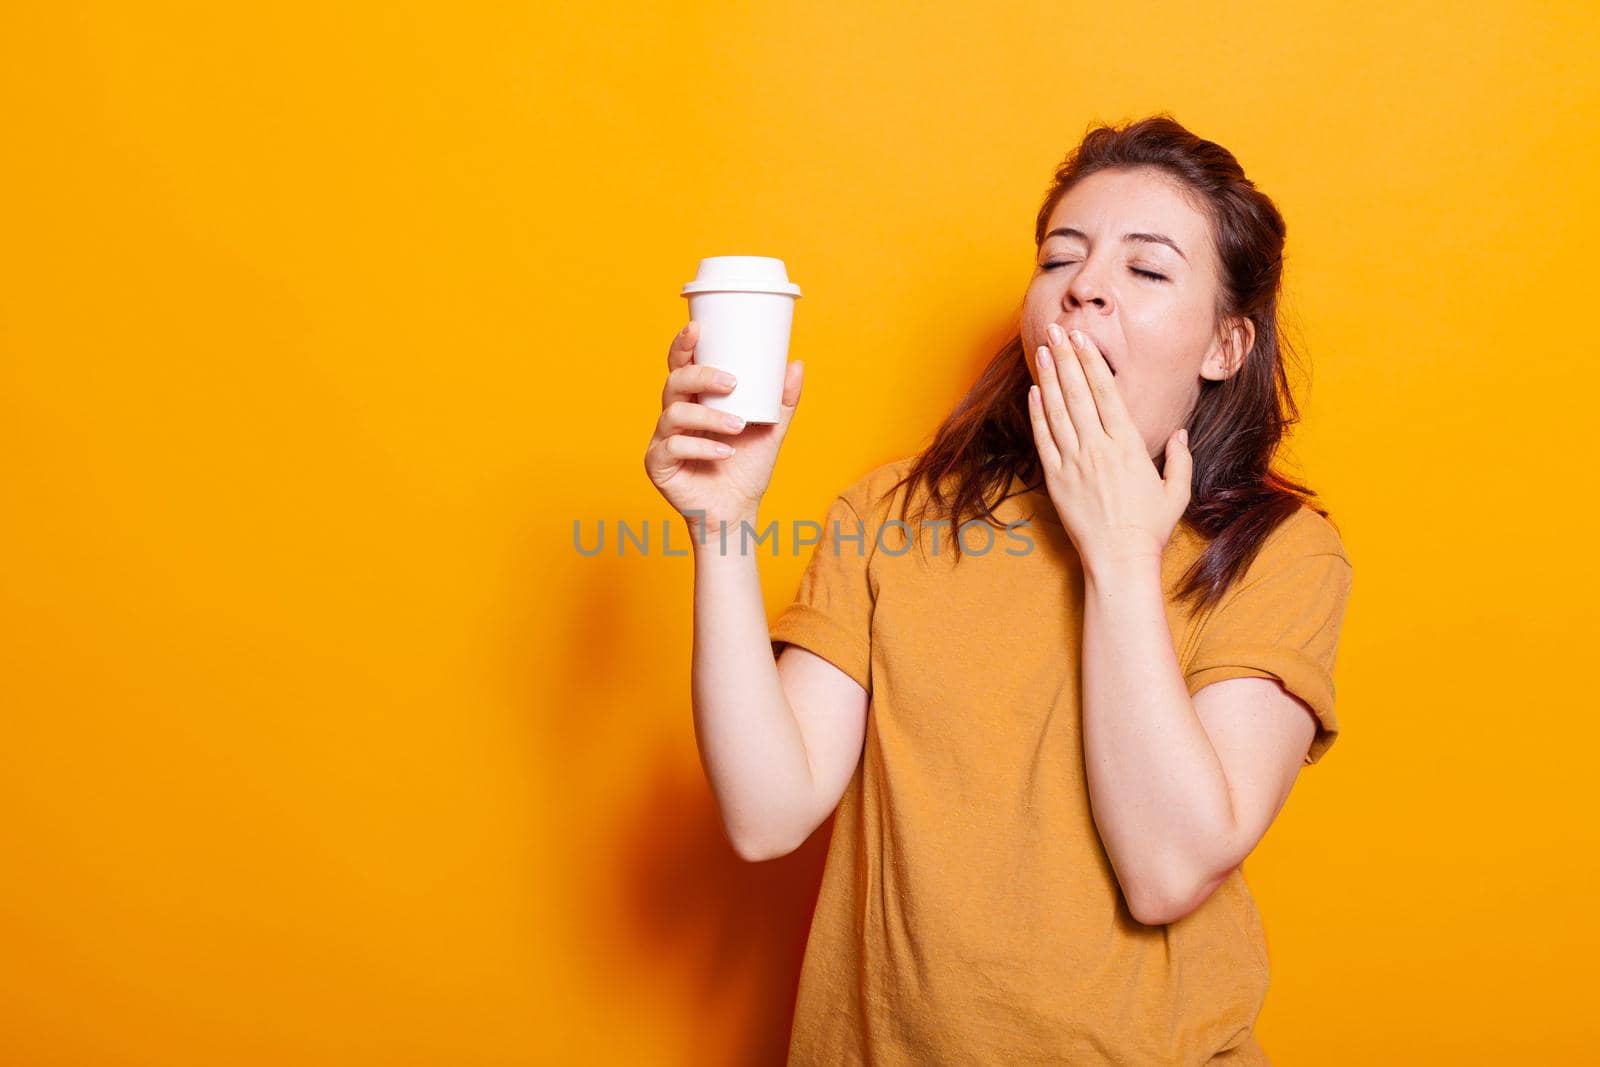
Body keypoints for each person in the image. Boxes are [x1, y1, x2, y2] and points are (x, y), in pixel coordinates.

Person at [642, 114, 1353, 1065]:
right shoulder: (893, 513)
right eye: (1062, 258)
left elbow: (1168, 868)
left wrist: (1119, 552)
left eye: (1146, 270)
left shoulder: (1283, 553)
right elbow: (766, 811)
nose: (1085, 286)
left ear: (1226, 345)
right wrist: (723, 521)